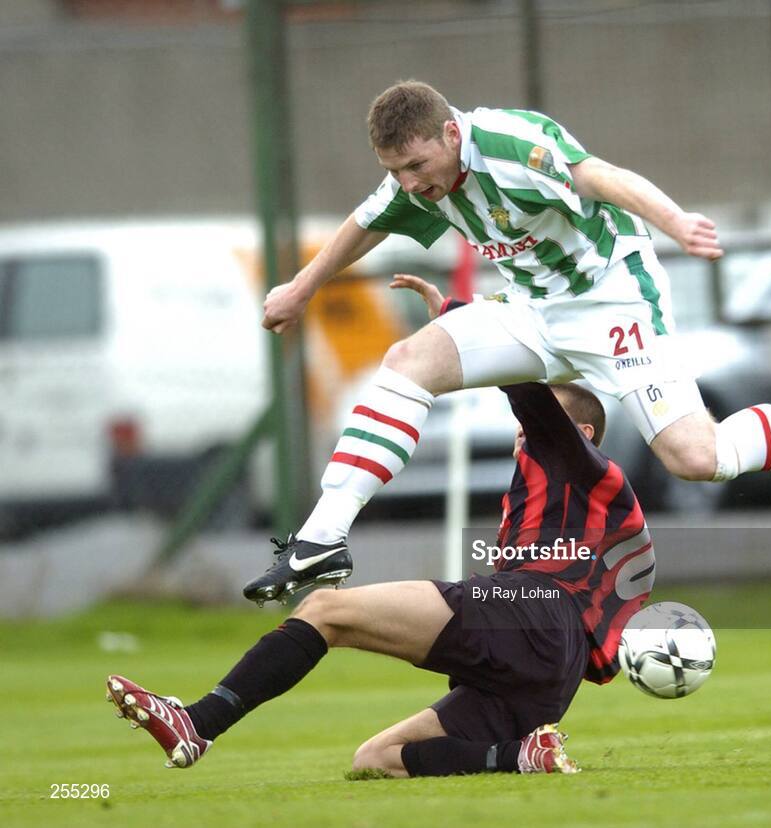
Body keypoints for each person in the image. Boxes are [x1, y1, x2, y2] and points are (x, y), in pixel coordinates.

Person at [242, 79, 771, 604]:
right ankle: (321, 540)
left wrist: (676, 222)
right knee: (407, 363)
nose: (410, 185)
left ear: (451, 135)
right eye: (396, 172)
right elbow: (362, 224)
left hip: (614, 302)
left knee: (695, 458)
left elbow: (603, 178)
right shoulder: (415, 181)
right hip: (531, 310)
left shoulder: (513, 143)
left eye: (417, 168)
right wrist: (302, 289)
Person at [107, 291, 654, 776]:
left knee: (324, 609)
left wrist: (463, 320)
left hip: (533, 611)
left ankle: (198, 722)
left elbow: (525, 387)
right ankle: (520, 757)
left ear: (582, 434)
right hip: (552, 676)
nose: (522, 437)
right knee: (377, 759)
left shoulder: (582, 465)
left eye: (532, 431)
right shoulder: (582, 504)